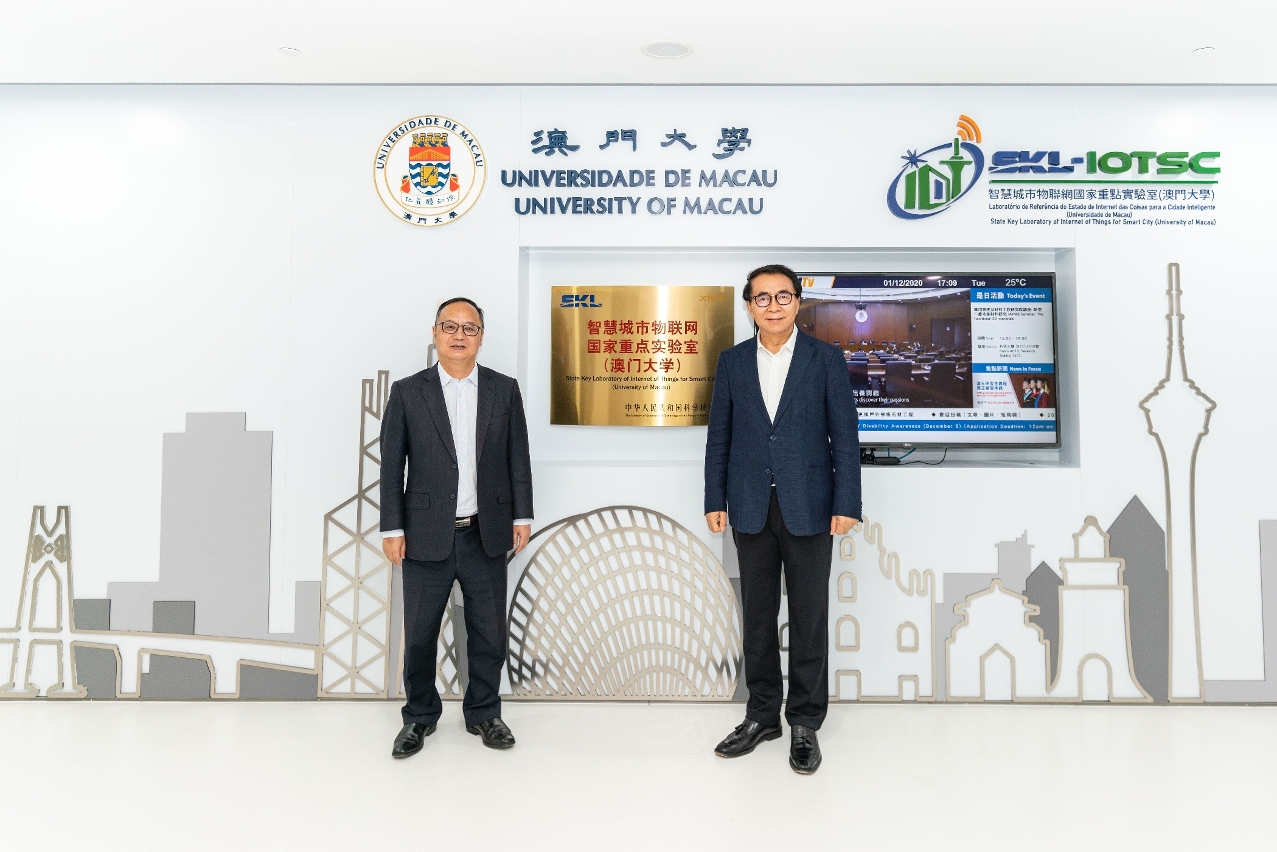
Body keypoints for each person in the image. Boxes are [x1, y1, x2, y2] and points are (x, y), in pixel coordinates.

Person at [703, 264, 862, 775]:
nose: (773, 306)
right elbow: (719, 437)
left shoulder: (825, 358)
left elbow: (845, 437)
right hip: (748, 505)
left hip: (811, 505)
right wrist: (714, 498)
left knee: (810, 617)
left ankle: (805, 722)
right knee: (758, 617)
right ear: (749, 306)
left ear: (798, 302)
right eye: (762, 298)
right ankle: (762, 715)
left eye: (783, 296)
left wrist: (847, 503)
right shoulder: (732, 361)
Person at [380, 297, 534, 759]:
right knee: (420, 634)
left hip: (485, 532)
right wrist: (392, 527)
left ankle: (484, 712)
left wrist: (521, 517)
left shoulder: (503, 390)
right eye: (450, 326)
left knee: (488, 632)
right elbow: (392, 466)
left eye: (470, 328)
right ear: (435, 333)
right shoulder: (409, 392)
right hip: (425, 533)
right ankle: (419, 716)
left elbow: (518, 458)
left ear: (481, 337)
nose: (459, 335)